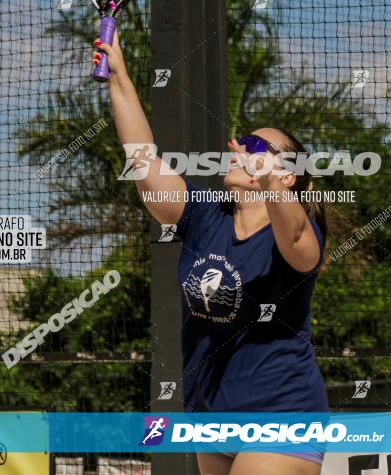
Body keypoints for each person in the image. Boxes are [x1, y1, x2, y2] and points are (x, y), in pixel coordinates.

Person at [94, 34, 329, 475]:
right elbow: (145, 166)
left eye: (257, 148)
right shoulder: (206, 215)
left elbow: (296, 239)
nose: (239, 150)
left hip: (282, 415)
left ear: (289, 175)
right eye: (241, 142)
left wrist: (270, 185)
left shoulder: (299, 232)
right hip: (211, 416)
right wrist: (120, 79)